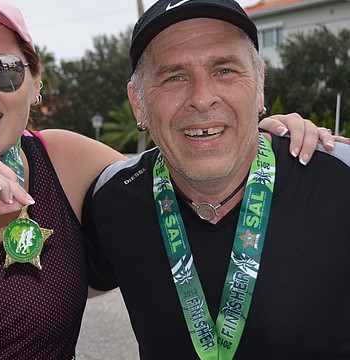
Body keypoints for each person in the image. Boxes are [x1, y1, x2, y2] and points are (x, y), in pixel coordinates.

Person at [0, 1, 341, 359]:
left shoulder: (69, 162)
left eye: (1, 69)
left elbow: (188, 165)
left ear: (34, 79)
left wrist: (265, 134)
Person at [83, 0, 350, 358]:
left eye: (224, 70)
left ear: (259, 85)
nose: (202, 98)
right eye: (174, 76)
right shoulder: (113, 199)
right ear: (138, 102)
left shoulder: (339, 180)